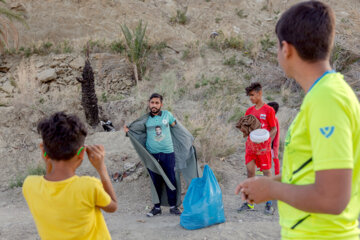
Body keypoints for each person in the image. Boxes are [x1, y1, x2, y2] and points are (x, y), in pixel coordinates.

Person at [235, 1, 360, 239]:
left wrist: (273, 188)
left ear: (287, 49)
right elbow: (311, 172)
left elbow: (333, 197)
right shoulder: (323, 94)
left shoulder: (327, 98)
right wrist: (268, 185)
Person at [23, 112, 117, 240]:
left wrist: (48, 161)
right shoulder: (89, 186)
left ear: (43, 151)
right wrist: (101, 168)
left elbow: (51, 185)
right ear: (82, 153)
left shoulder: (29, 185)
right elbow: (113, 206)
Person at [124, 93, 182, 217]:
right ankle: (157, 208)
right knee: (155, 180)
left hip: (168, 153)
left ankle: (173, 207)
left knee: (171, 179)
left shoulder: (168, 115)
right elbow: (136, 130)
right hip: (152, 156)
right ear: (149, 103)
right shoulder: (145, 119)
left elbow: (176, 128)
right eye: (152, 103)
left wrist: (185, 139)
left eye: (157, 103)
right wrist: (128, 131)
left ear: (161, 104)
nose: (154, 105)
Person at [238, 82, 277, 215]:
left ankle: (269, 203)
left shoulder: (269, 110)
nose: (251, 98)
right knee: (250, 173)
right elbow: (246, 129)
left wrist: (267, 141)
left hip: (263, 149)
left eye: (252, 95)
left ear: (260, 93)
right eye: (249, 96)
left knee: (267, 174)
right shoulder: (249, 111)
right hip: (250, 147)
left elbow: (274, 129)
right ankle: (250, 203)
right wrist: (244, 129)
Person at [267, 101, 280, 175]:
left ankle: (277, 175)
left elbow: (276, 133)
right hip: (267, 143)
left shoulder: (274, 120)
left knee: (274, 158)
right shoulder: (266, 119)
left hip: (272, 144)